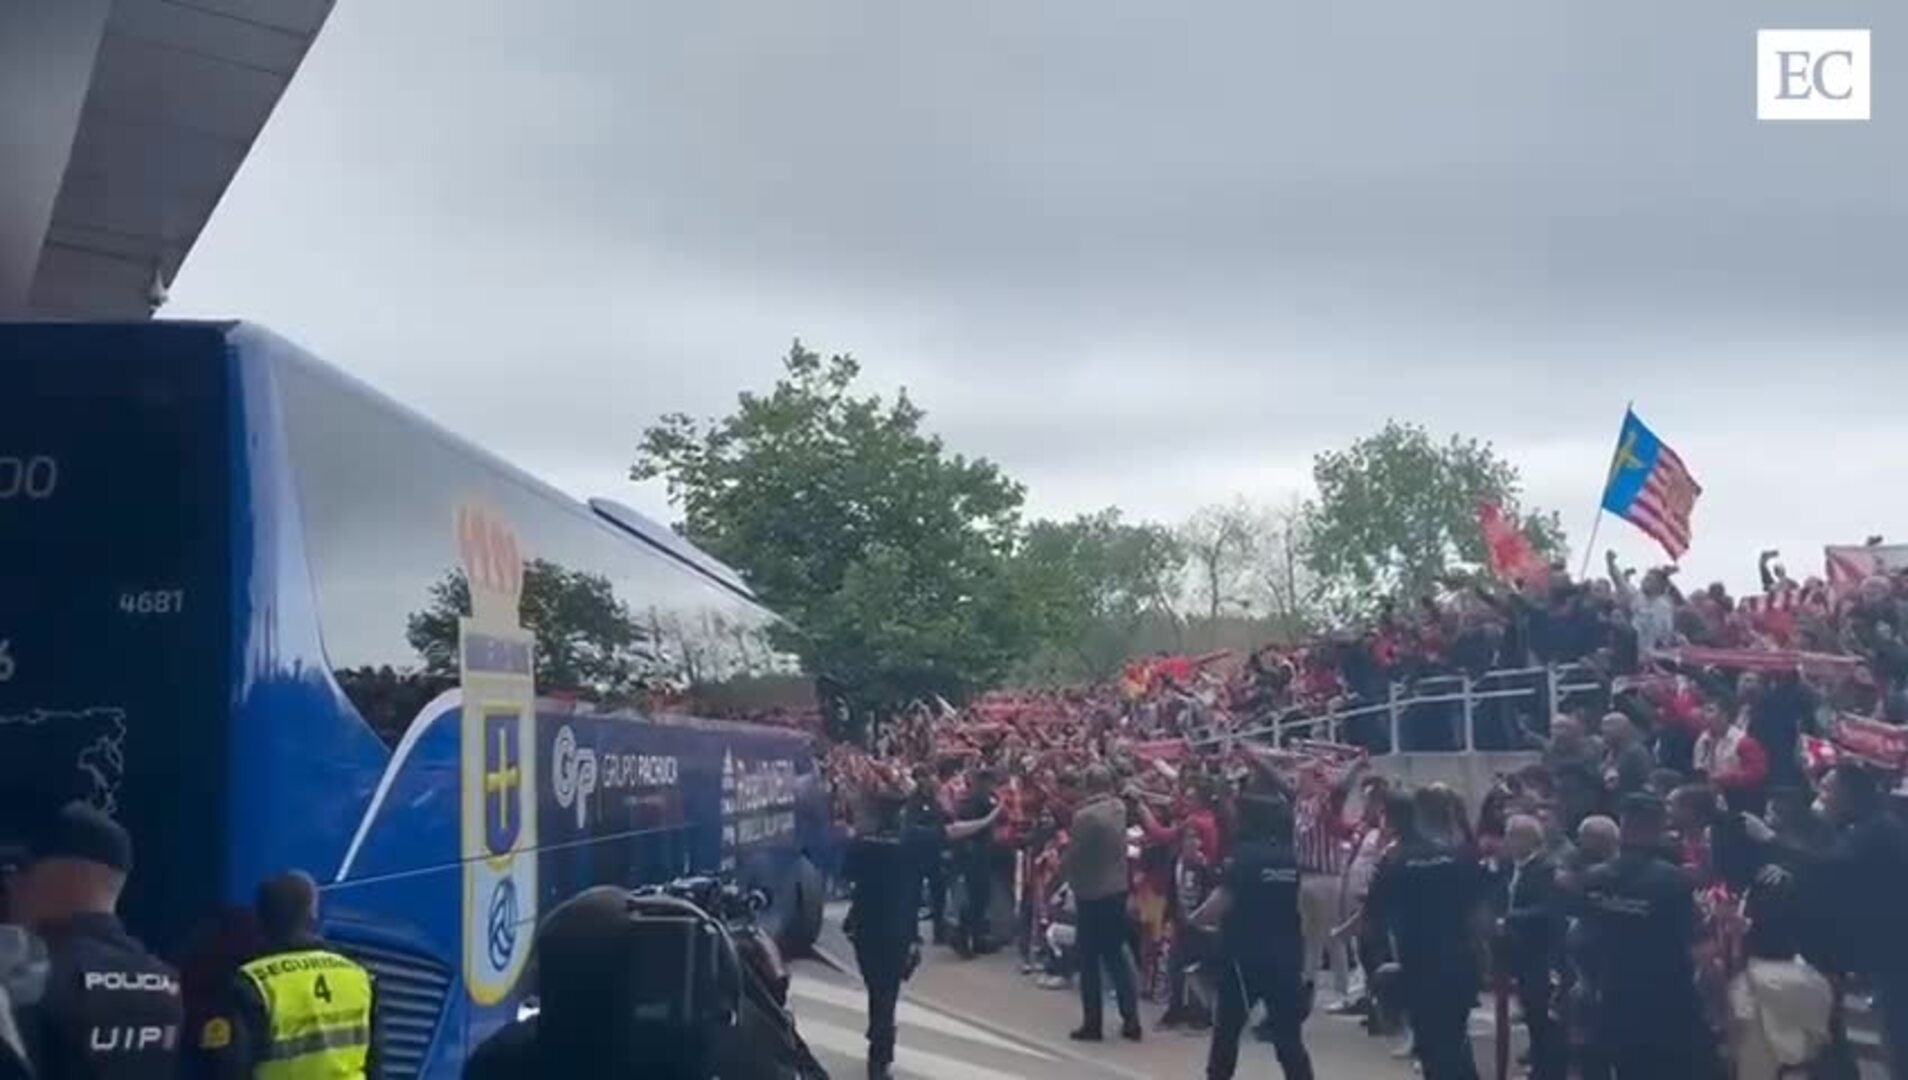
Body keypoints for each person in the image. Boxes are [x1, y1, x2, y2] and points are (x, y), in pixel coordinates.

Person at [7, 802, 183, 1080]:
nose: (12, 888)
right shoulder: (167, 981)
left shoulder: (27, 979)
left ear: (57, 875)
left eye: (18, 873)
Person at [841, 775, 1001, 1080]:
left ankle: (878, 1038)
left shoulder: (861, 843)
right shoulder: (912, 840)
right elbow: (954, 831)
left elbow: (847, 875)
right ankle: (879, 1053)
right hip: (898, 926)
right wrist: (989, 819)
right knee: (887, 993)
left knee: (877, 988)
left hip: (864, 925)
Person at [1575, 793, 1712, 1080]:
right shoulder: (1673, 881)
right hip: (1669, 1003)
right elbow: (1701, 950)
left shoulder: (1595, 878)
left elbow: (1580, 941)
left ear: (1622, 825)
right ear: (1658, 827)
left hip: (1614, 998)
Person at [199, 871, 377, 1080]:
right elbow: (375, 1063)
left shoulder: (250, 984)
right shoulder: (358, 974)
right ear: (313, 914)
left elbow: (229, 1067)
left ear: (260, 920)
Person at [1365, 789, 1488, 1080]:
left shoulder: (1395, 860)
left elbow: (1372, 920)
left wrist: (1378, 966)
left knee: (1433, 1046)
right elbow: (1479, 913)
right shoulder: (1457, 855)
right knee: (1457, 1039)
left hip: (1419, 963)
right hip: (1460, 959)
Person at [1191, 794, 1314, 1080]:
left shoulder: (1243, 858)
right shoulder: (1289, 858)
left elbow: (1220, 903)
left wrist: (1194, 920)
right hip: (1285, 958)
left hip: (1243, 960)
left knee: (1227, 1032)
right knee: (1288, 1039)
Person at [1058, 766, 1142, 1043]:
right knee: (1116, 955)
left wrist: (1060, 879)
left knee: (1090, 960)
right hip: (1117, 888)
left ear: (1088, 785)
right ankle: (1131, 1019)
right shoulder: (1118, 807)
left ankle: (1092, 1023)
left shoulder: (1084, 816)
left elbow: (1074, 855)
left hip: (1092, 892)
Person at [1498, 815, 1565, 1080]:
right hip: (1520, 953)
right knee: (1531, 1015)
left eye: (1512, 835)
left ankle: (1550, 1072)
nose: (1507, 842)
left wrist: (1511, 918)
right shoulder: (1511, 867)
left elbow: (1549, 910)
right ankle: (1539, 1067)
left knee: (1543, 1017)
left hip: (1542, 953)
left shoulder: (1546, 868)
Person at [951, 769, 1000, 958]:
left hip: (969, 852)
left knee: (977, 896)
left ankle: (976, 937)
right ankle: (964, 937)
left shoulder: (966, 799)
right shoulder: (982, 800)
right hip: (976, 852)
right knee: (977, 897)